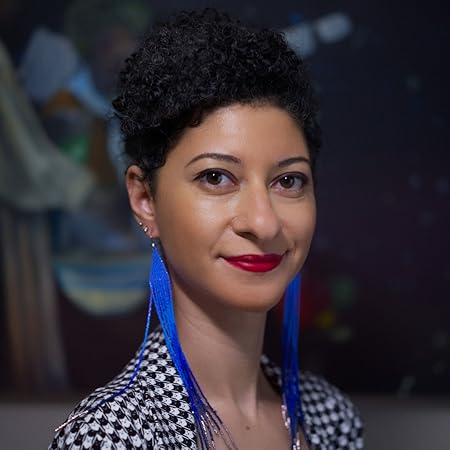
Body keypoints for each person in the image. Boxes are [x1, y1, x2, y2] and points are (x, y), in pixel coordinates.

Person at [49, 9, 363, 450]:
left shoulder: (332, 419)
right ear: (145, 199)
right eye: (216, 177)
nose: (263, 222)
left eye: (289, 181)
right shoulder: (111, 436)